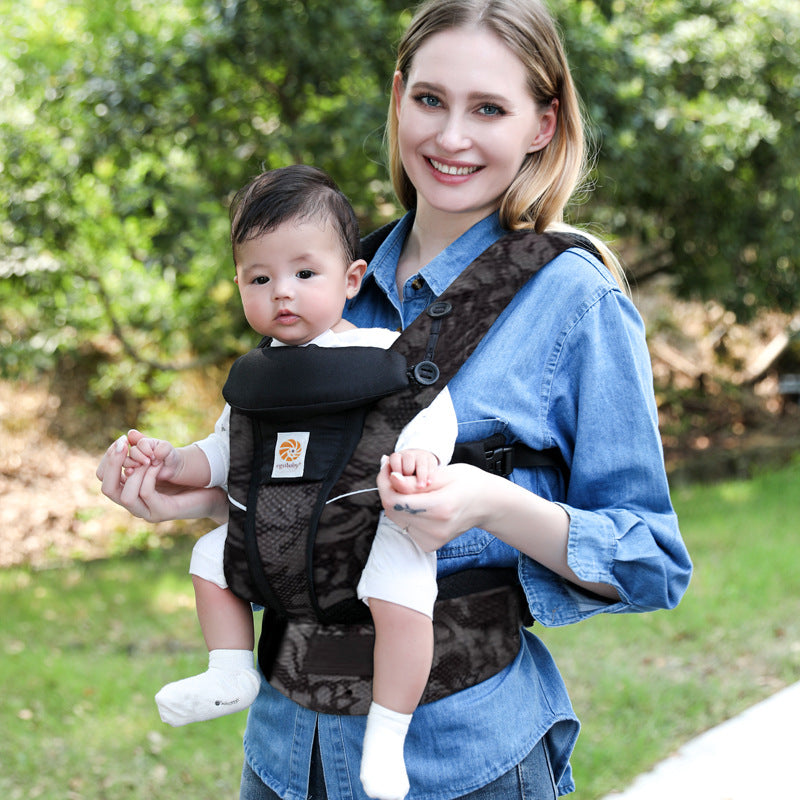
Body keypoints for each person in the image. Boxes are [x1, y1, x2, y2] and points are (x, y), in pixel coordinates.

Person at [97, 1, 693, 798]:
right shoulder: (319, 279)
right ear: (397, 96)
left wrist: (488, 503)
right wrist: (190, 500)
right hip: (285, 755)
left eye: (488, 108)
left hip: (463, 759)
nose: (451, 137)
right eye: (430, 100)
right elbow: (307, 493)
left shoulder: (575, 302)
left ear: (543, 124)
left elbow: (651, 562)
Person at [118, 164, 458, 800]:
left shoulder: (382, 353)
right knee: (209, 556)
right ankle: (230, 670)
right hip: (279, 535)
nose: (284, 292)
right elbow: (221, 455)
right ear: (240, 286)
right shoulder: (254, 380)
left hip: (369, 523)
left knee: (404, 594)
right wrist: (166, 461)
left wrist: (423, 463)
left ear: (351, 279)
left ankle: (388, 733)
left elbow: (431, 413)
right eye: (261, 277)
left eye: (305, 274)